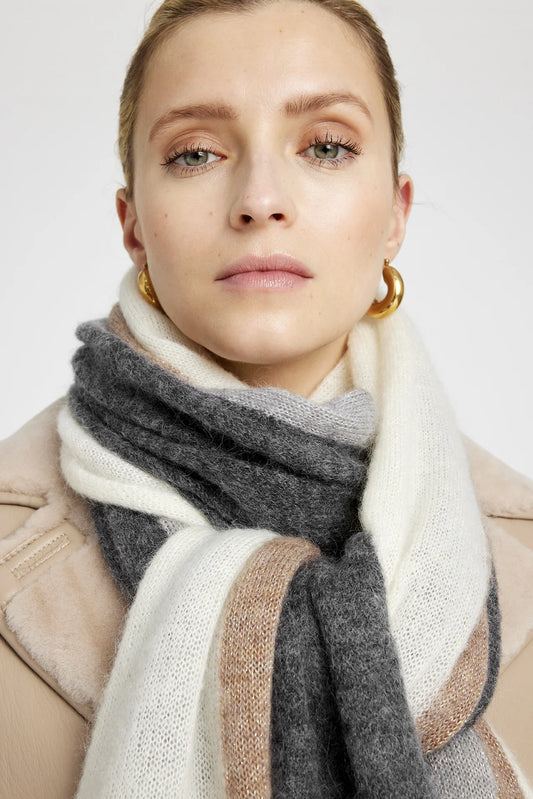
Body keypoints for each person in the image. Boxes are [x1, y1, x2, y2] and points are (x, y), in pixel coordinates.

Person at [0, 0, 532, 796]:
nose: (259, 198)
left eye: (324, 145)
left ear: (394, 213)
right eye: (196, 154)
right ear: (133, 223)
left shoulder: (516, 548)